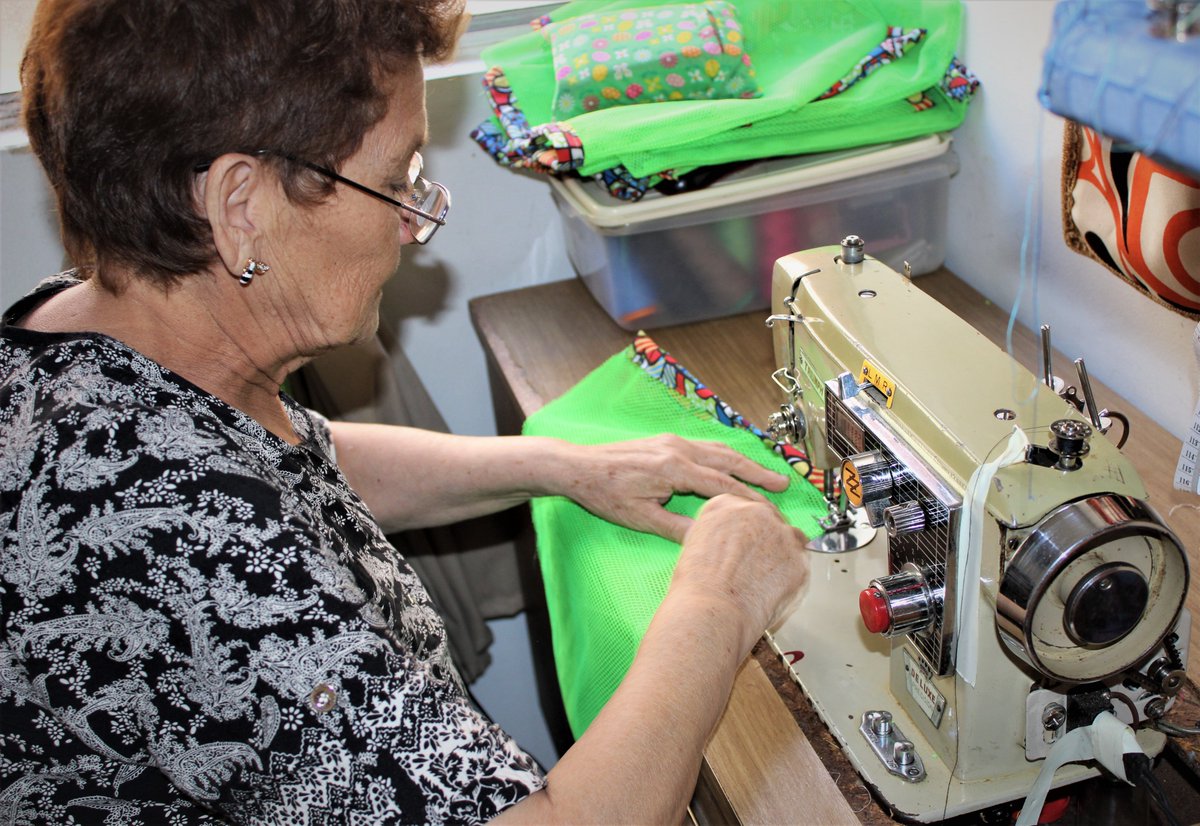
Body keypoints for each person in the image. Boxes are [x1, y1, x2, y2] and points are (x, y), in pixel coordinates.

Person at [0, 1, 809, 823]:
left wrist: (565, 466)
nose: (416, 225)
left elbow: (295, 461)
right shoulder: (181, 538)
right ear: (240, 205)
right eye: (392, 182)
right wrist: (718, 601)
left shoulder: (85, 336)